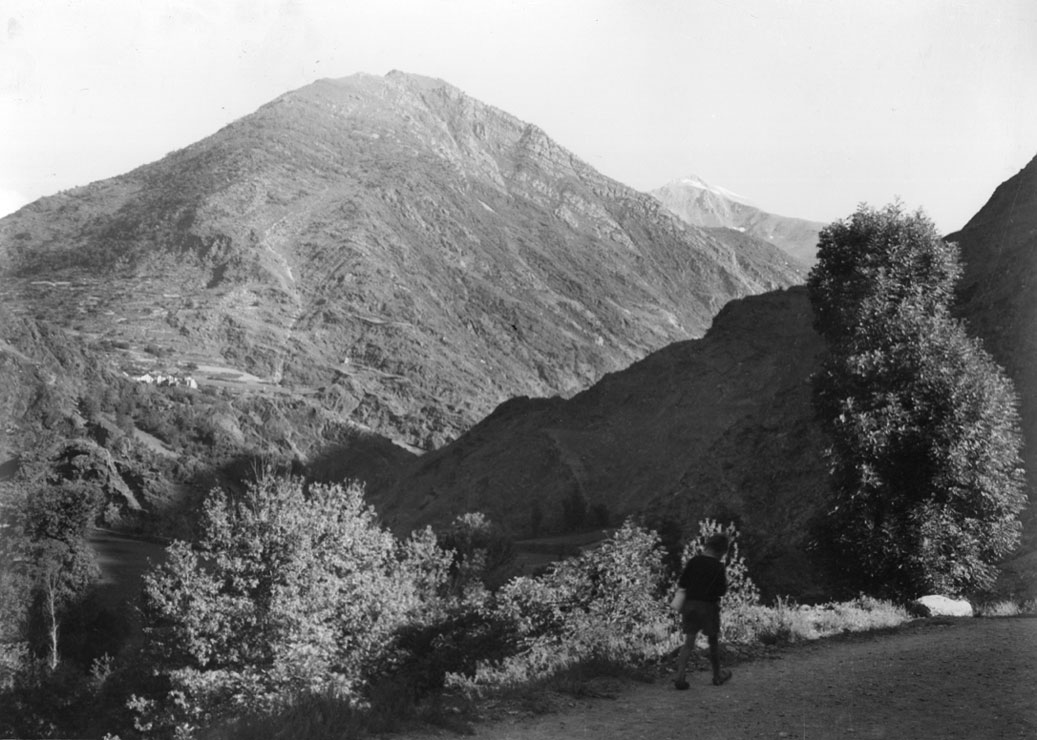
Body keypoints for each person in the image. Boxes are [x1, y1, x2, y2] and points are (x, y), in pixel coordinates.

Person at [673, 533, 732, 689]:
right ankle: (717, 675)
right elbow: (722, 590)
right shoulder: (718, 566)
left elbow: (683, 582)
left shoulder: (694, 561)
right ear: (722, 551)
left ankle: (680, 676)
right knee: (712, 642)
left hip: (690, 605)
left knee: (688, 643)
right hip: (709, 607)